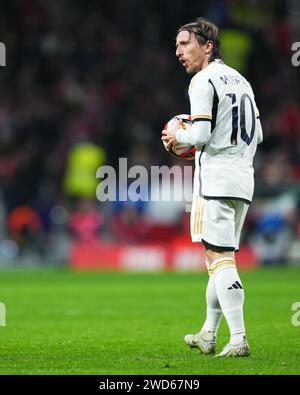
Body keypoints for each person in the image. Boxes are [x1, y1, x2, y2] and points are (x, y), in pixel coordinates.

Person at [161, 17, 263, 357]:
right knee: (217, 257)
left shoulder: (202, 81)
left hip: (216, 179)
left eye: (184, 43)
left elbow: (201, 135)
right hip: (243, 178)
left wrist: (180, 137)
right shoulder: (243, 81)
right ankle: (209, 332)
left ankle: (238, 339)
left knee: (220, 258)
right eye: (176, 45)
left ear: (207, 46)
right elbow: (258, 134)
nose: (178, 51)